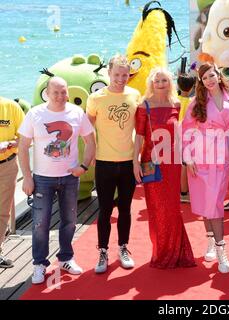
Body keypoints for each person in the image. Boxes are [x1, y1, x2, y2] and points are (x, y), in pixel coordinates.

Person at [18, 77, 95, 284]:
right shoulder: (35, 114)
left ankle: (66, 258)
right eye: (56, 92)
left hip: (70, 177)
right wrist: (26, 177)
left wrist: (84, 166)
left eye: (63, 92)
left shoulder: (77, 113)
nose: (60, 96)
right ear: (47, 93)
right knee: (40, 224)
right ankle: (39, 264)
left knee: (70, 221)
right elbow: (23, 146)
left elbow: (90, 140)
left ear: (68, 92)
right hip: (42, 178)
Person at [182, 62, 229, 273]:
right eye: (205, 79)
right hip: (200, 157)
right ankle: (215, 244)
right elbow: (185, 129)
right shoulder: (197, 102)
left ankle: (220, 249)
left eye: (212, 75)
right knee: (205, 202)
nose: (209, 80)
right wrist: (188, 158)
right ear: (201, 82)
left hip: (223, 157)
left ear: (218, 75)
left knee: (215, 203)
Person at [134, 67, 196, 269]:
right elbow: (140, 137)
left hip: (172, 162)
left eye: (164, 80)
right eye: (157, 81)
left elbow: (178, 134)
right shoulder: (144, 106)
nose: (161, 84)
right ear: (151, 83)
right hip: (151, 162)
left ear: (170, 83)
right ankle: (161, 252)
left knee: (173, 207)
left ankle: (177, 251)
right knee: (157, 209)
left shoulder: (176, 104)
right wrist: (135, 162)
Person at [86, 55, 141, 274]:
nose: (120, 78)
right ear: (108, 73)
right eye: (117, 74)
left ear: (129, 75)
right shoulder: (96, 98)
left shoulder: (135, 95)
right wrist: (92, 150)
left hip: (128, 162)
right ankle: (102, 250)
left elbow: (141, 131)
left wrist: (137, 158)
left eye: (125, 74)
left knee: (126, 208)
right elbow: (86, 128)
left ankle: (123, 247)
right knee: (105, 209)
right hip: (104, 162)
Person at [0, 97, 25, 268]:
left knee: (3, 211)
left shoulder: (11, 107)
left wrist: (10, 143)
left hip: (7, 165)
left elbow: (25, 137)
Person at [177, 73, 196, 203]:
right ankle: (183, 192)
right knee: (185, 165)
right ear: (193, 86)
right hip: (188, 136)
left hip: (173, 135)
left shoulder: (174, 100)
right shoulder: (193, 102)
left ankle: (181, 190)